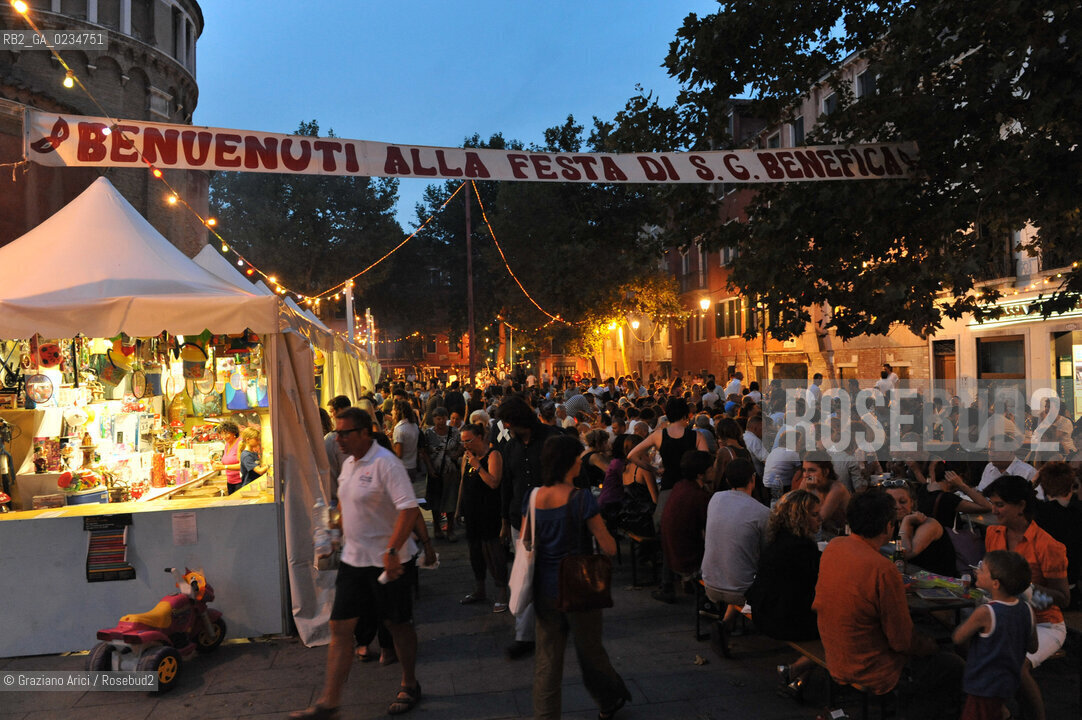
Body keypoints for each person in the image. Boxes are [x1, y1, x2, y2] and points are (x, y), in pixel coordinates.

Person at [291, 407, 425, 719]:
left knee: (398, 624)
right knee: (339, 627)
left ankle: (409, 682)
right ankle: (330, 701)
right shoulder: (349, 464)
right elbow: (347, 505)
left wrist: (392, 551)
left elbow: (408, 509)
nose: (337, 438)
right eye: (336, 432)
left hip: (388, 561)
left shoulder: (386, 464)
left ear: (365, 433)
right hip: (354, 560)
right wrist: (334, 531)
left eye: (344, 433)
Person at [814, 490, 963, 719]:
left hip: (837, 654)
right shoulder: (882, 569)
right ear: (888, 527)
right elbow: (902, 640)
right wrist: (929, 646)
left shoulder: (835, 547)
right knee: (953, 665)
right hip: (873, 669)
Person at [530, 434, 631, 720]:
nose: (580, 463)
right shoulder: (581, 498)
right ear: (567, 463)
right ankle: (608, 699)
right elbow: (609, 547)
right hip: (580, 589)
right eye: (577, 459)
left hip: (545, 590)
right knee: (590, 651)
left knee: (547, 662)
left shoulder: (534, 496)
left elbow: (526, 542)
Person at [983, 474, 1070, 720]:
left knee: (1016, 665)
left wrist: (1026, 588)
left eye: (1000, 505)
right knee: (967, 644)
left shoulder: (1047, 545)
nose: (993, 509)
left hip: (1045, 623)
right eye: (993, 504)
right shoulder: (994, 533)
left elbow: (1063, 599)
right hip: (1006, 617)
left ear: (1021, 506)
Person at [499, 395, 561, 659]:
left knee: (551, 575)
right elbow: (507, 485)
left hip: (550, 519)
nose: (507, 429)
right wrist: (503, 521)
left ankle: (556, 625)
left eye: (508, 423)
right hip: (519, 520)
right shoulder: (511, 448)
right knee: (523, 578)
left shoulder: (551, 440)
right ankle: (524, 636)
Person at [745, 489, 822, 700]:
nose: (820, 519)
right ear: (801, 518)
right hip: (781, 619)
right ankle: (796, 669)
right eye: (815, 514)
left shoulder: (779, 540)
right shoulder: (802, 548)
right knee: (841, 627)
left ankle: (796, 681)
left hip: (763, 614)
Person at [952, 550, 1037, 720]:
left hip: (983, 685)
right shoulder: (1027, 609)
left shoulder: (986, 612)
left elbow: (958, 637)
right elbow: (1033, 647)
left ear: (996, 584)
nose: (977, 570)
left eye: (982, 569)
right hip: (1008, 682)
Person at [700, 459, 770, 657]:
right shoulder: (762, 512)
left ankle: (726, 625)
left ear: (728, 479)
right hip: (742, 590)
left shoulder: (715, 499)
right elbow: (767, 554)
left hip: (710, 582)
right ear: (753, 480)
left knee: (738, 568)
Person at [456, 422, 508, 612]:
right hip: (471, 512)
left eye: (468, 440)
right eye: (462, 441)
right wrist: (458, 508)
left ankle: (502, 590)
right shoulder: (467, 457)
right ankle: (480, 589)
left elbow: (494, 482)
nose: (465, 445)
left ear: (479, 437)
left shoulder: (493, 455)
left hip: (489, 512)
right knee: (475, 552)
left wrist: (478, 467)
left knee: (493, 552)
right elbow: (463, 481)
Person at [655, 450, 712, 603]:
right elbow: (710, 529)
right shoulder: (699, 497)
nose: (713, 471)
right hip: (687, 556)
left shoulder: (680, 486)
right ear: (701, 474)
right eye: (710, 468)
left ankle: (670, 586)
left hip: (670, 550)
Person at [883, 479, 957, 577]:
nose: (897, 506)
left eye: (903, 502)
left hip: (941, 583)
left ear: (912, 503)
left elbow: (905, 553)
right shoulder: (893, 523)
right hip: (914, 578)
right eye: (891, 502)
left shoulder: (930, 524)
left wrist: (906, 521)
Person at [1034, 461, 1082, 608]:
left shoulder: (1040, 512)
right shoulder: (1078, 509)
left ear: (1043, 486)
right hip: (1074, 590)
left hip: (1043, 591)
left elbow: (1020, 493)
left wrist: (1035, 480)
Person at [422, 407, 462, 542]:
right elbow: (425, 452)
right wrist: (429, 467)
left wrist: (456, 455)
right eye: (438, 418)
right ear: (433, 419)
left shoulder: (454, 431)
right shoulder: (428, 433)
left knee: (450, 500)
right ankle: (437, 528)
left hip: (451, 472)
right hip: (435, 471)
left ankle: (450, 528)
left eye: (443, 418)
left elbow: (461, 445)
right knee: (435, 501)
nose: (441, 421)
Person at [800, 458, 850, 537]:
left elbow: (819, 519)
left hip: (840, 535)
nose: (806, 475)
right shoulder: (806, 481)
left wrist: (809, 491)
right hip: (821, 533)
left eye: (812, 470)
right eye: (804, 470)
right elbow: (795, 508)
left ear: (825, 472)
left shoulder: (837, 489)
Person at [212, 421, 243, 494]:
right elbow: (229, 461)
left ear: (234, 432)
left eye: (226, 433)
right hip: (230, 482)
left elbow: (242, 465)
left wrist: (224, 467)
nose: (224, 437)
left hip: (240, 481)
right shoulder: (227, 444)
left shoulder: (240, 443)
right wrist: (220, 464)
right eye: (222, 434)